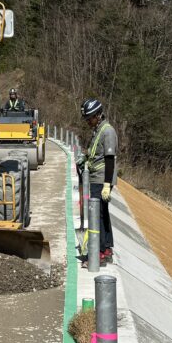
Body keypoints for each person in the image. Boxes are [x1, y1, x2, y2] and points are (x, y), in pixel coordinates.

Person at [78, 98, 117, 261]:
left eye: (90, 118)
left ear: (98, 115)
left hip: (101, 180)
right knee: (103, 212)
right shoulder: (98, 129)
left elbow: (109, 159)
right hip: (97, 177)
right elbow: (97, 152)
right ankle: (107, 246)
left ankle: (99, 251)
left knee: (97, 215)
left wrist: (107, 185)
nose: (88, 121)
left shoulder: (107, 131)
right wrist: (85, 157)